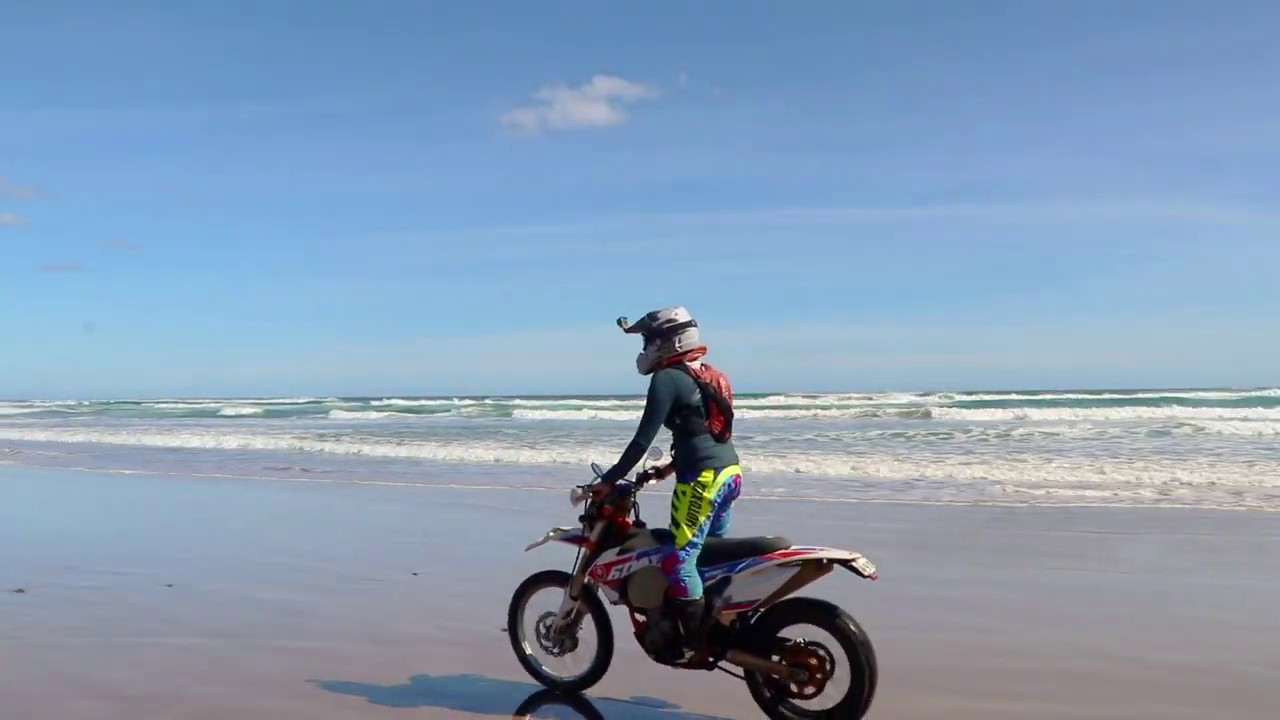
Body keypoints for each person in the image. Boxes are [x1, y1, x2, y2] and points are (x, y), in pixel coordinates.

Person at [595, 306, 743, 662]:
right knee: (707, 557)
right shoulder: (710, 375)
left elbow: (642, 441)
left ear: (667, 341)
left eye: (648, 339)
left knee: (679, 560)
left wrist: (609, 479)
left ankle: (695, 643)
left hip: (703, 479)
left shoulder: (667, 379)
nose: (645, 347)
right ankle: (720, 621)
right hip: (729, 474)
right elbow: (707, 432)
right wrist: (669, 468)